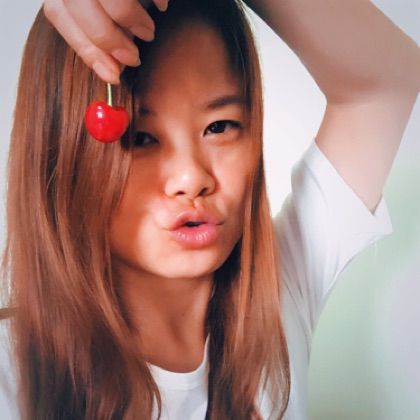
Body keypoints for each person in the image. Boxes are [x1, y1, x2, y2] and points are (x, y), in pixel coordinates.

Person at [0, 0, 418, 419]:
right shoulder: (11, 371)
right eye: (142, 138)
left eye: (219, 127)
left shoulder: (279, 297)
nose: (191, 177)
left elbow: (388, 79)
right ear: (60, 156)